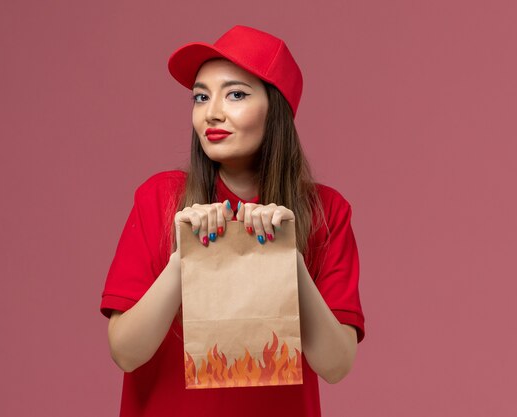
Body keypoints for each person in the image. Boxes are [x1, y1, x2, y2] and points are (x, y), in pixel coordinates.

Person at [101, 25, 365, 417]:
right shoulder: (159, 200)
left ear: (276, 108)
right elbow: (125, 353)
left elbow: (336, 365)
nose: (212, 112)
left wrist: (288, 260)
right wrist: (185, 259)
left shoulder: (326, 211)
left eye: (236, 94)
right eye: (201, 96)